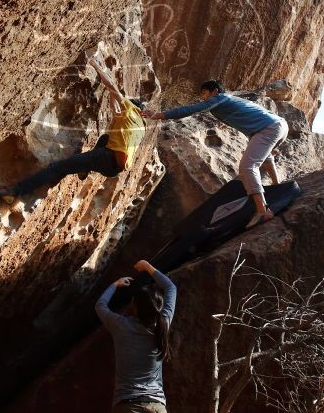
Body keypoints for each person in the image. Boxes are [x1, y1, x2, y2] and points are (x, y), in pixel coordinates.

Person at [0, 55, 146, 204]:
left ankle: (13, 193)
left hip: (106, 158)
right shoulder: (139, 126)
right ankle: (84, 169)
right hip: (114, 169)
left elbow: (112, 88)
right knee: (105, 138)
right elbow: (115, 109)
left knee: (57, 167)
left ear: (133, 107)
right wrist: (108, 92)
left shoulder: (131, 109)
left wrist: (95, 64)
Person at [142, 79, 288, 228]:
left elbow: (191, 109)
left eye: (205, 94)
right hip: (277, 125)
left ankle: (262, 211)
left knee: (247, 167)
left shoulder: (220, 98)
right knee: (265, 158)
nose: (203, 98)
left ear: (215, 91)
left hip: (269, 128)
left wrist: (160, 115)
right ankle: (278, 187)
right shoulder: (231, 101)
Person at [95, 260, 177, 413]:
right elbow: (171, 288)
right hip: (156, 406)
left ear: (135, 307)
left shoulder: (121, 326)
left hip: (127, 404)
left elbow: (100, 305)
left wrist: (115, 284)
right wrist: (147, 266)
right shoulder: (162, 325)